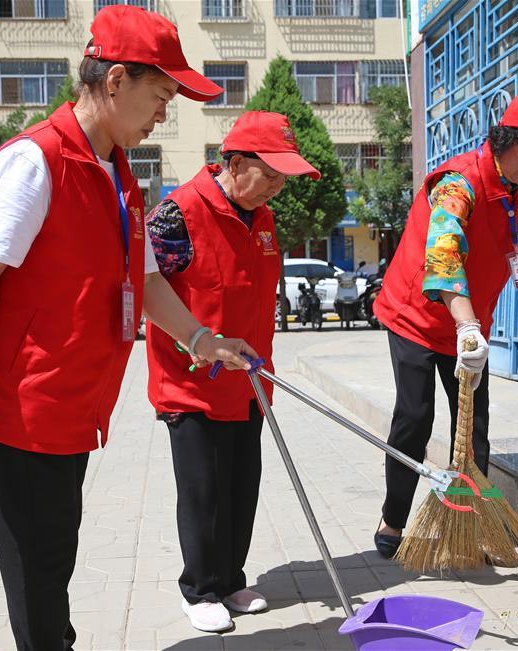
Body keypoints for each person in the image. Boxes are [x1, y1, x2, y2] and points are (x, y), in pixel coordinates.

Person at [0, 6, 257, 649]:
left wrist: (201, 340)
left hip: (75, 410)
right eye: (161, 95)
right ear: (114, 82)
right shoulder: (34, 162)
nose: (164, 111)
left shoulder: (116, 173)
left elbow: (146, 283)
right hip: (25, 409)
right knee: (37, 574)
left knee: (54, 558)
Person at [371, 92, 518, 559]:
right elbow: (442, 256)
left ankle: (467, 525)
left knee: (473, 425)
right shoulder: (458, 183)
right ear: (506, 137)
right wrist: (465, 325)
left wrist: (473, 326)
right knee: (415, 418)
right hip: (417, 318)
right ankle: (393, 518)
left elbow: (504, 250)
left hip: (468, 326)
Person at [145, 111, 321, 632]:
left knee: (243, 485)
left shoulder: (261, 216)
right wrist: (198, 341)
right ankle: (198, 589)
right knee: (204, 490)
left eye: (283, 179)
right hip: (192, 382)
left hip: (249, 381)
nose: (276, 188)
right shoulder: (177, 215)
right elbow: (148, 291)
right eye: (269, 175)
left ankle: (229, 579)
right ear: (236, 162)